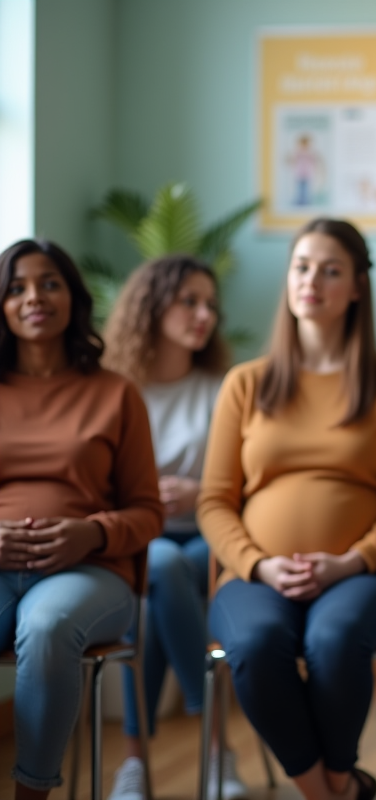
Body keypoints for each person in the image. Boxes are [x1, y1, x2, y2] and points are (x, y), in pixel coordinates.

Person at [198, 218, 376, 800]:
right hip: (257, 576)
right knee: (254, 645)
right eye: (302, 266)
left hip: (363, 578)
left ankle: (331, 787)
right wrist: (258, 564)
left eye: (331, 270)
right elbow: (214, 502)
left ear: (356, 286)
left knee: (334, 637)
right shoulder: (244, 384)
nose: (312, 280)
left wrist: (351, 561)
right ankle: (332, 790)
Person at [0, 239, 163, 800]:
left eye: (49, 283)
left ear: (73, 297)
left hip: (92, 573)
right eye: (16, 287)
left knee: (46, 627)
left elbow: (149, 510)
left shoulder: (116, 393)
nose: (33, 297)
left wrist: (90, 532)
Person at [100, 255, 246, 800]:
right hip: (143, 536)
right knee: (160, 565)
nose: (204, 314)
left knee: (170, 572)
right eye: (190, 301)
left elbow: (244, 477)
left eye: (210, 303)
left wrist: (199, 493)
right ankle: (214, 740)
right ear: (151, 306)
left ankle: (134, 764)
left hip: (210, 533)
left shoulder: (222, 386)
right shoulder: (115, 388)